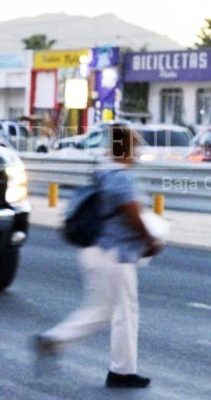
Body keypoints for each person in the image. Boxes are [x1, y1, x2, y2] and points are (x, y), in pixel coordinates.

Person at [34, 125, 164, 389]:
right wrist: (150, 240)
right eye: (135, 147)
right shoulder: (121, 177)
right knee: (126, 312)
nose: (137, 152)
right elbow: (133, 213)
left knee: (99, 309)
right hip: (115, 254)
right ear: (126, 149)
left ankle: (54, 339)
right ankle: (123, 371)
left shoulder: (102, 172)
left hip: (94, 252)